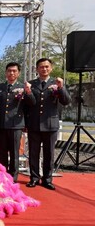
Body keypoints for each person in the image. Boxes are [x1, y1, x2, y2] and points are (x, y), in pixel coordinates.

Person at [25, 58, 71, 190]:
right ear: (36, 69)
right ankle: (34, 178)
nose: (44, 69)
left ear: (50, 68)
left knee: (49, 153)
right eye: (41, 67)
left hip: (50, 124)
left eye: (46, 67)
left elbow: (66, 101)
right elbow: (30, 104)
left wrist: (61, 87)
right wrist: (28, 92)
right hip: (34, 124)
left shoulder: (56, 83)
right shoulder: (31, 84)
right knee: (33, 153)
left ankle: (47, 179)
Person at [0, 62, 33, 182]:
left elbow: (31, 103)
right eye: (9, 71)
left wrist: (28, 92)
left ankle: (13, 177)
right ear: (6, 72)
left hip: (16, 125)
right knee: (2, 153)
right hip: (2, 125)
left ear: (18, 73)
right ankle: (2, 176)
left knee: (14, 153)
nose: (11, 73)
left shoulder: (23, 87)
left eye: (14, 71)